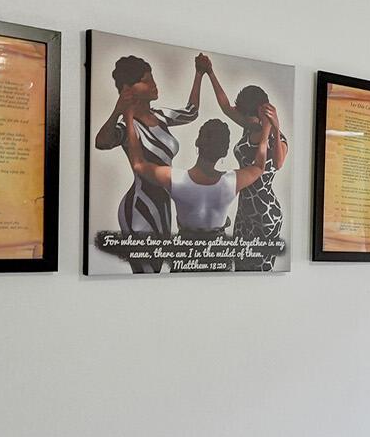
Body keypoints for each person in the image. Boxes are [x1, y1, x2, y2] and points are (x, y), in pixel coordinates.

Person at [93, 52, 203, 273]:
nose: (153, 84)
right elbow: (101, 142)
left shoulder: (160, 116)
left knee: (154, 270)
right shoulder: (128, 126)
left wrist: (199, 74)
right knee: (145, 272)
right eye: (146, 81)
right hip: (140, 206)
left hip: (163, 205)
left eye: (152, 78)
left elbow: (191, 112)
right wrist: (118, 111)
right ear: (128, 88)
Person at [120, 114, 274, 255]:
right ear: (224, 152)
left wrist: (129, 118)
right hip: (218, 254)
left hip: (185, 253)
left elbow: (138, 164)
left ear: (197, 142)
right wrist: (266, 130)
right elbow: (259, 167)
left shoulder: (176, 178)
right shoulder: (231, 181)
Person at [198, 60, 289, 270]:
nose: (245, 119)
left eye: (248, 115)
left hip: (265, 214)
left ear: (261, 111)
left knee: (261, 270)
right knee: (239, 268)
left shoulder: (277, 138)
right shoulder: (249, 126)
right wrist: (210, 72)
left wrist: (273, 128)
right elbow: (225, 107)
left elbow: (278, 163)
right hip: (244, 211)